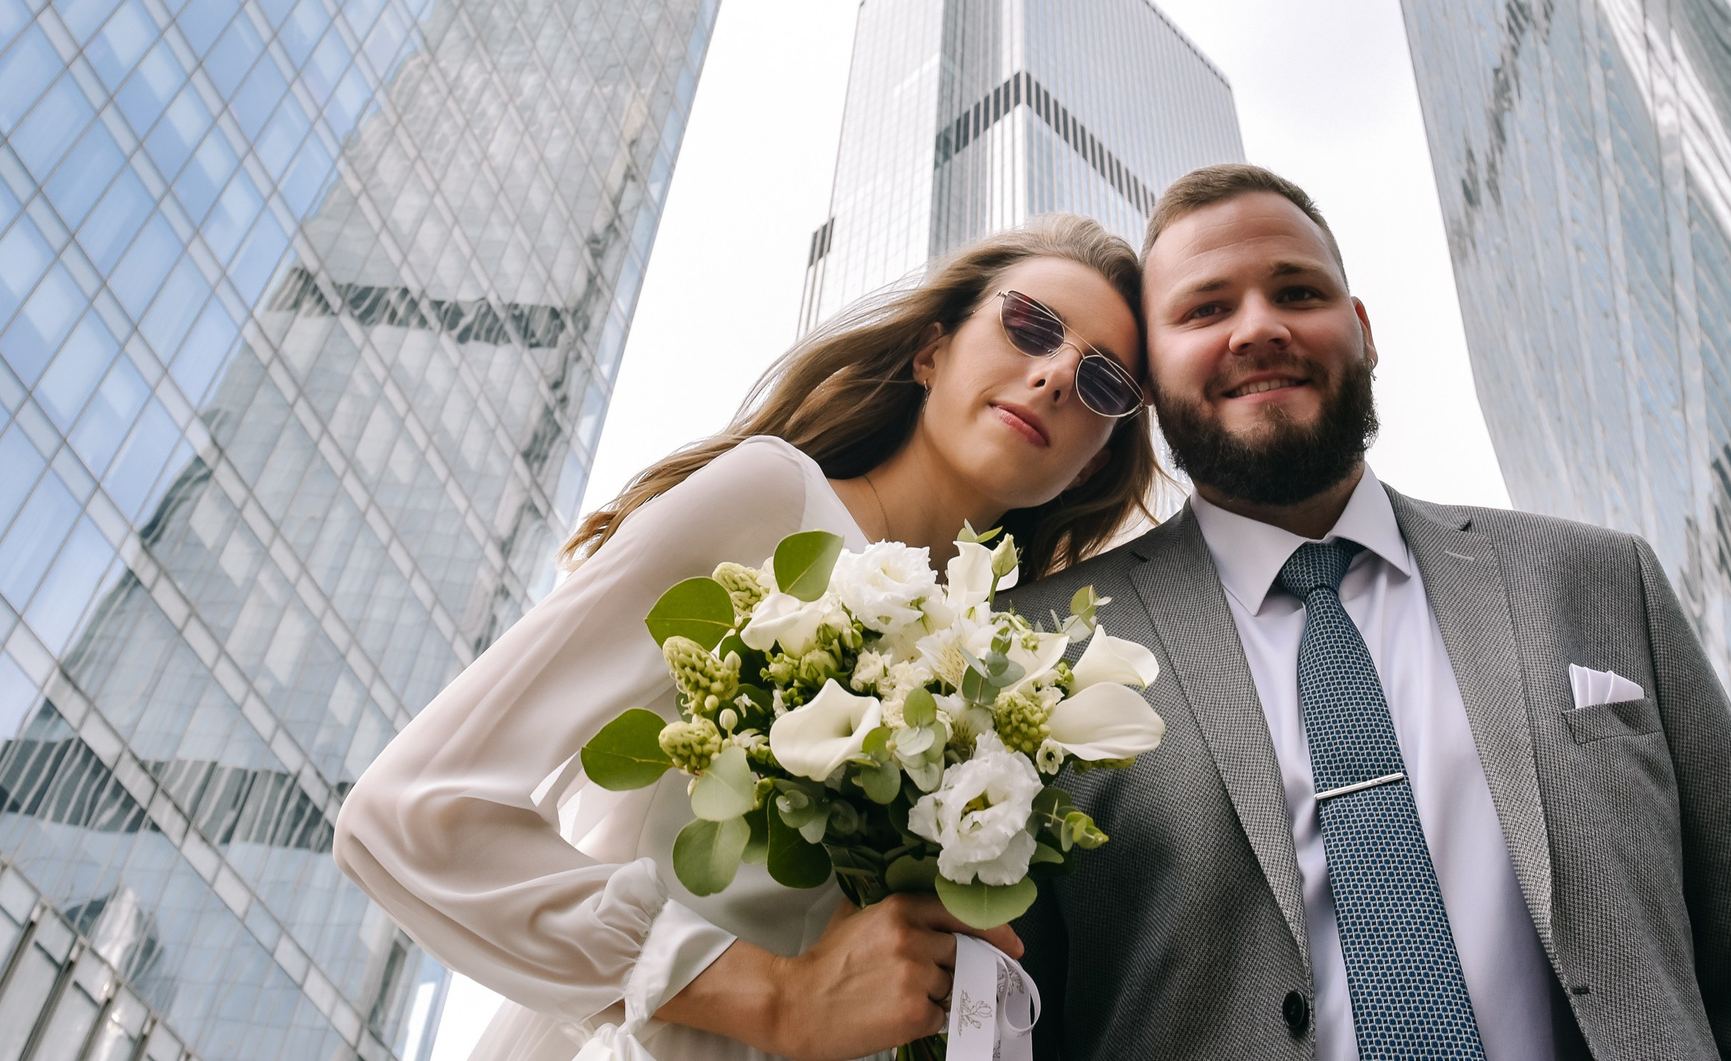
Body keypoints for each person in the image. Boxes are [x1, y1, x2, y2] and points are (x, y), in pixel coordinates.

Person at [1006, 165, 1731, 1061]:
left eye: (1297, 292)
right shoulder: (1044, 649)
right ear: (1148, 376)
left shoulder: (1599, 578)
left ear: (1363, 331)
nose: (1258, 327)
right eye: (1205, 308)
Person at [333, 215, 1157, 1061]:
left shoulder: (1011, 682)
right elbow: (414, 807)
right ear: (931, 350)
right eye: (1029, 325)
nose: (1054, 376)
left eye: (1103, 382)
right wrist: (773, 995)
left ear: (1094, 462)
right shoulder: (774, 499)